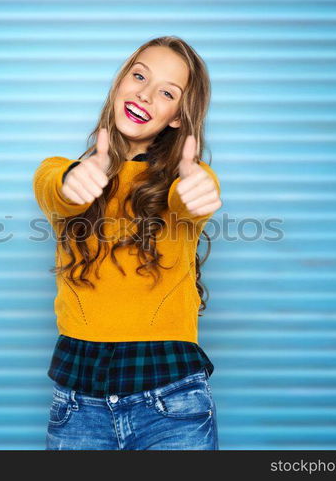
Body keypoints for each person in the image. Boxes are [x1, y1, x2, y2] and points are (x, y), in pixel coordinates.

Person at [32, 36, 223, 450]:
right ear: (120, 84)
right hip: (78, 403)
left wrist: (196, 190)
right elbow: (54, 188)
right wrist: (74, 180)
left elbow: (190, 201)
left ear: (177, 118)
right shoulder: (62, 171)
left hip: (172, 400)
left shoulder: (186, 180)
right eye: (139, 76)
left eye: (167, 92)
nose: (145, 94)